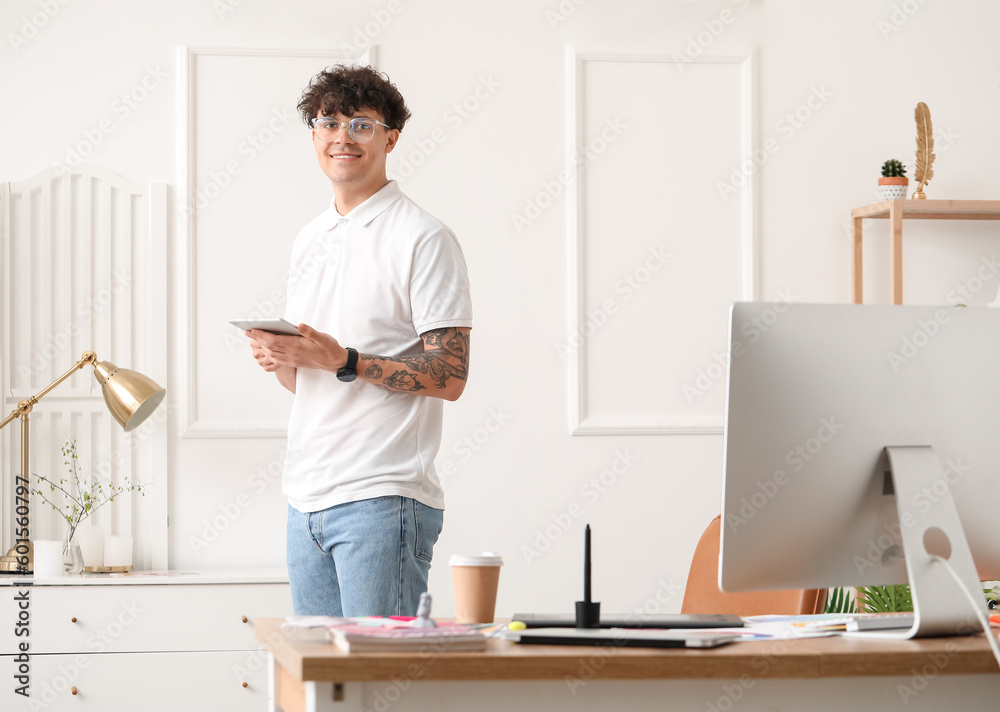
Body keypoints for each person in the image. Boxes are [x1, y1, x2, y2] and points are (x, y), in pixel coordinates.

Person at [246, 65, 473, 617]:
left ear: (391, 137)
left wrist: (345, 359)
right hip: (305, 503)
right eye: (328, 122)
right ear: (315, 135)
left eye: (361, 125)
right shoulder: (310, 237)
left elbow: (450, 375)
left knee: (380, 689)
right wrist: (280, 357)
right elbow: (309, 382)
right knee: (325, 693)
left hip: (382, 498)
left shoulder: (423, 237)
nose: (342, 136)